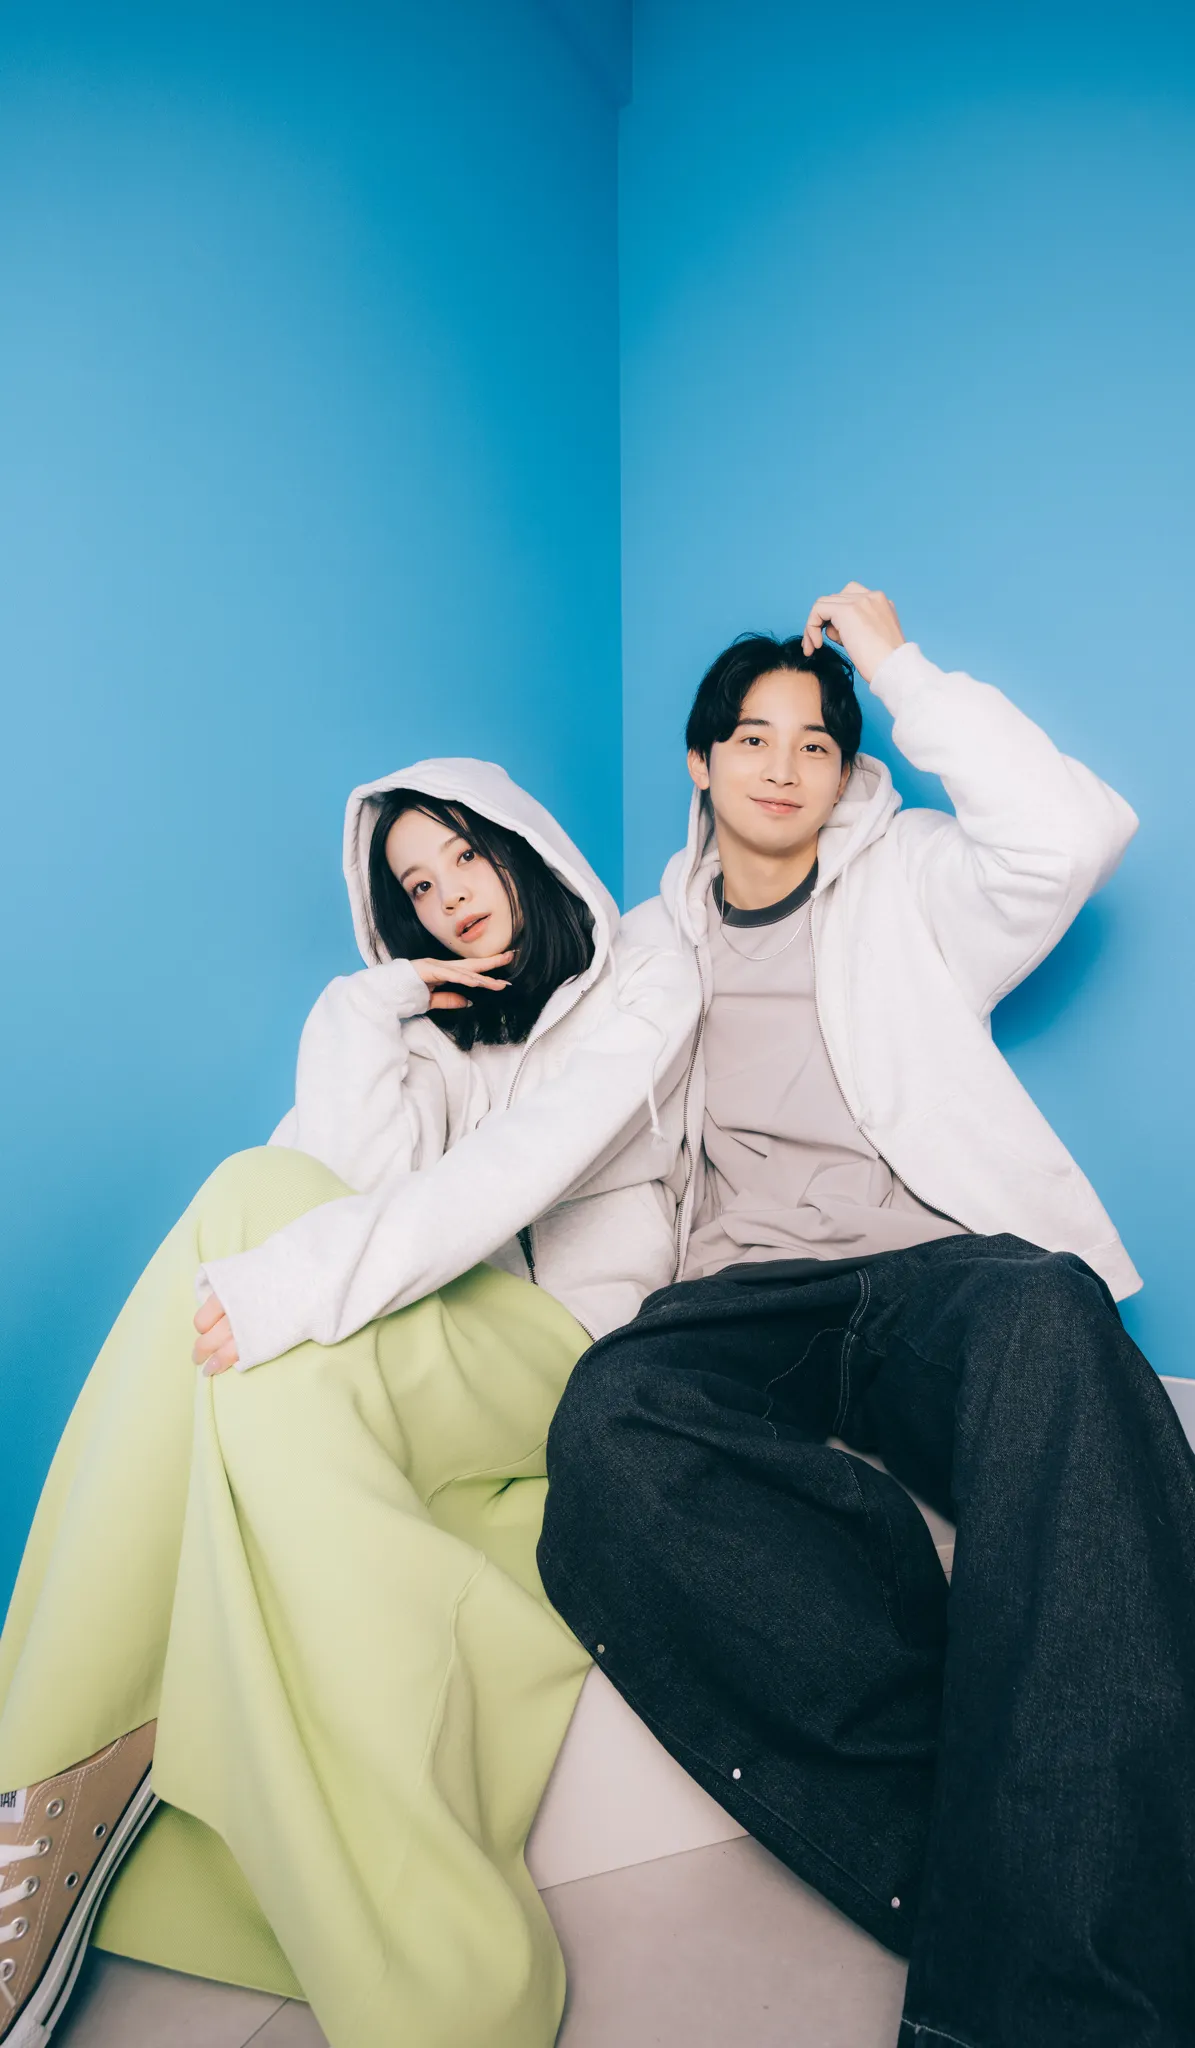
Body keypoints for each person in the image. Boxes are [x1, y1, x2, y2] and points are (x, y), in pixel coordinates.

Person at [537, 586, 1195, 2048]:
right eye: (751, 739)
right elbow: (597, 1157)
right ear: (700, 764)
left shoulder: (910, 882)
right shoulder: (651, 949)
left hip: (935, 1273)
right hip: (749, 1297)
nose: (783, 767)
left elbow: (1069, 835)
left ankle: (1081, 1943)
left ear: (846, 769)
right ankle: (1092, 1853)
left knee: (1053, 1314)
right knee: (608, 1420)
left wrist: (897, 666)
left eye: (815, 742)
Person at [0, 758, 697, 2048]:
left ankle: (45, 1780)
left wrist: (290, 1283)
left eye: (465, 858)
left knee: (248, 1213)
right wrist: (369, 1005)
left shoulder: (646, 980)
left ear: (522, 846)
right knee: (258, 1222)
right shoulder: (432, 1037)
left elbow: (516, 1169)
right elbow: (334, 1179)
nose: (450, 898)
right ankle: (429, 1980)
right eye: (416, 889)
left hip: (576, 1356)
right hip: (442, 1351)